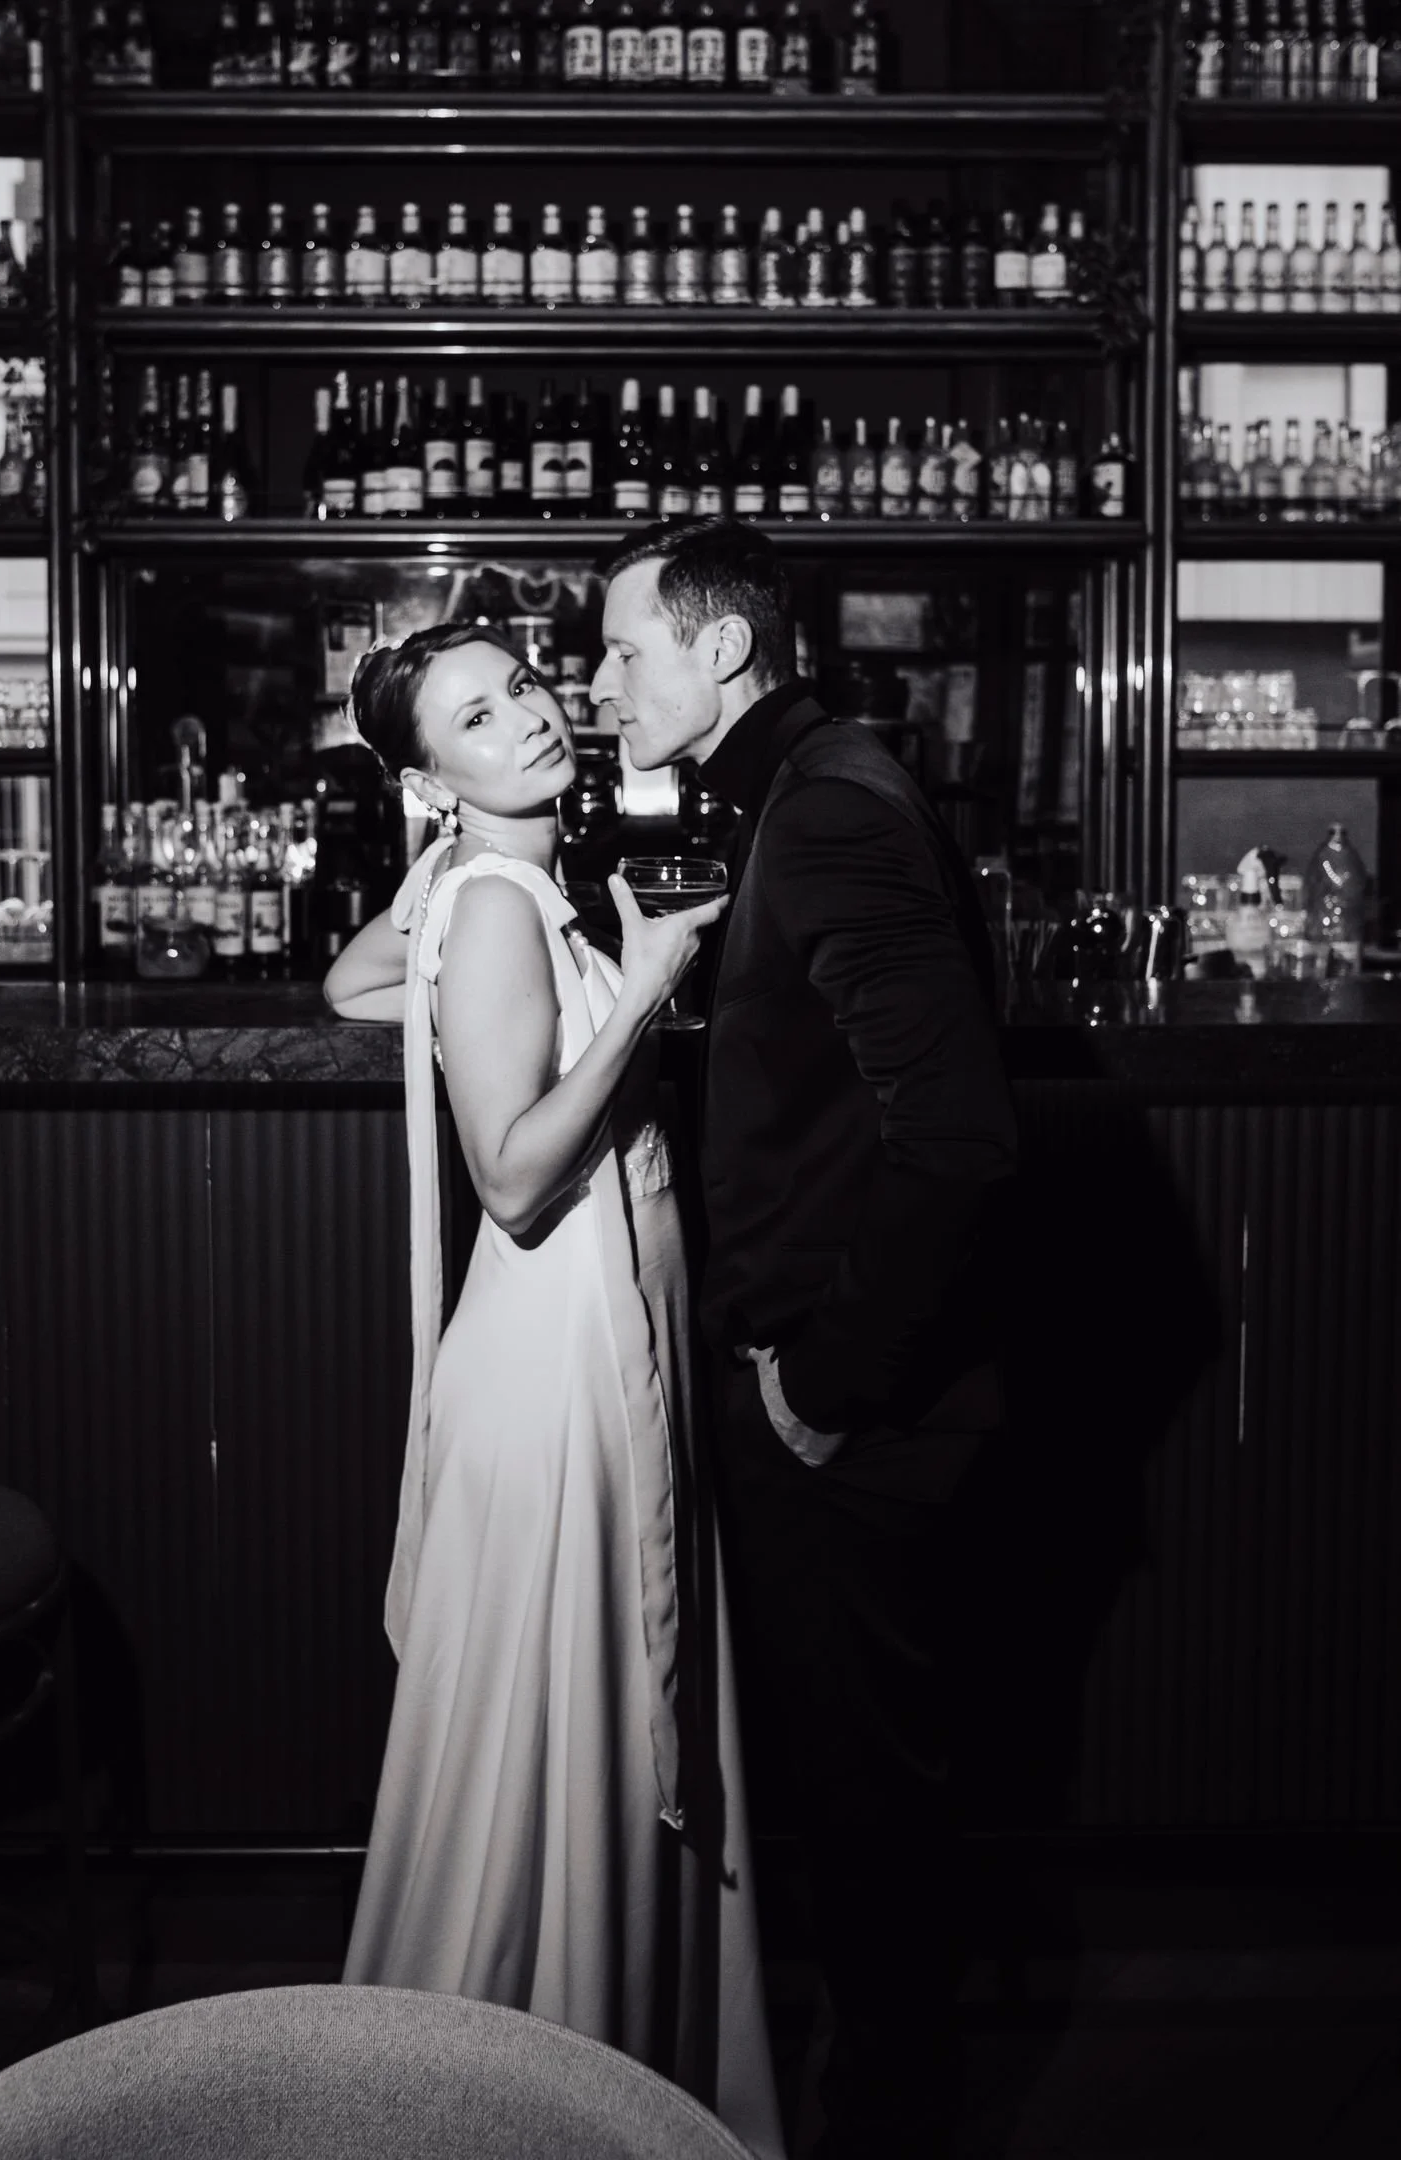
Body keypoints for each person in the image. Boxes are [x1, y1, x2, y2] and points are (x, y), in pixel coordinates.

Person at [324, 623, 785, 2160]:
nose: (523, 714)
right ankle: (530, 2105)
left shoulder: (490, 887)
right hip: (560, 1363)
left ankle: (558, 2083)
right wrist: (646, 983)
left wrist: (443, 890)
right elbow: (514, 1178)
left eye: (521, 685)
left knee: (551, 1743)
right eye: (473, 715)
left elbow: (352, 980)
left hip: (584, 1342)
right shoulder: (508, 902)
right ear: (425, 772)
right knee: (549, 1744)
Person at [588, 519, 1019, 2160]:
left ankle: (889, 2127)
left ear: (721, 650)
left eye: (629, 649)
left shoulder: (829, 803)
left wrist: (826, 1387)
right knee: (846, 1804)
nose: (606, 679)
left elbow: (959, 1141)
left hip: (857, 1408)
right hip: (806, 1376)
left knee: (872, 1817)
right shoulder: (780, 783)